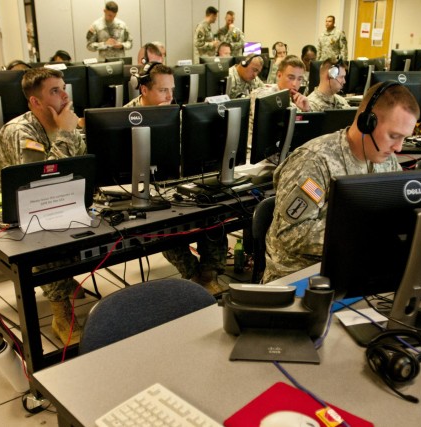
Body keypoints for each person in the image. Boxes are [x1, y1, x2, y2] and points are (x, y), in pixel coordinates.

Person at [262, 82, 418, 282]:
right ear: (366, 122)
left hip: (354, 268)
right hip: (299, 278)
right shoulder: (314, 161)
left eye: (404, 138)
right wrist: (365, 234)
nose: (398, 147)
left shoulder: (386, 161)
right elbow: (291, 233)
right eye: (394, 136)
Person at [0, 68, 86, 344]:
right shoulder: (21, 131)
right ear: (35, 102)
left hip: (59, 203)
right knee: (49, 237)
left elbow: (81, 165)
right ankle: (61, 313)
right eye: (54, 91)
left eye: (63, 88)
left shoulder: (62, 123)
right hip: (18, 215)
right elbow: (39, 182)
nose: (64, 95)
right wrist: (67, 133)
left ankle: (65, 279)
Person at [122, 64, 226, 294]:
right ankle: (195, 275)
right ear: (144, 90)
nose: (170, 96)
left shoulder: (176, 112)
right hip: (143, 188)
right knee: (166, 222)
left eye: (172, 89)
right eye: (163, 90)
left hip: (177, 181)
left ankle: (209, 273)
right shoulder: (126, 117)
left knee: (214, 207)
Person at [248, 55, 311, 147]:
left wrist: (306, 111)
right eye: (291, 77)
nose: (295, 84)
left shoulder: (292, 102)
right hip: (255, 154)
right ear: (279, 75)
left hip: (279, 151)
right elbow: (268, 127)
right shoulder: (263, 95)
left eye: (299, 79)